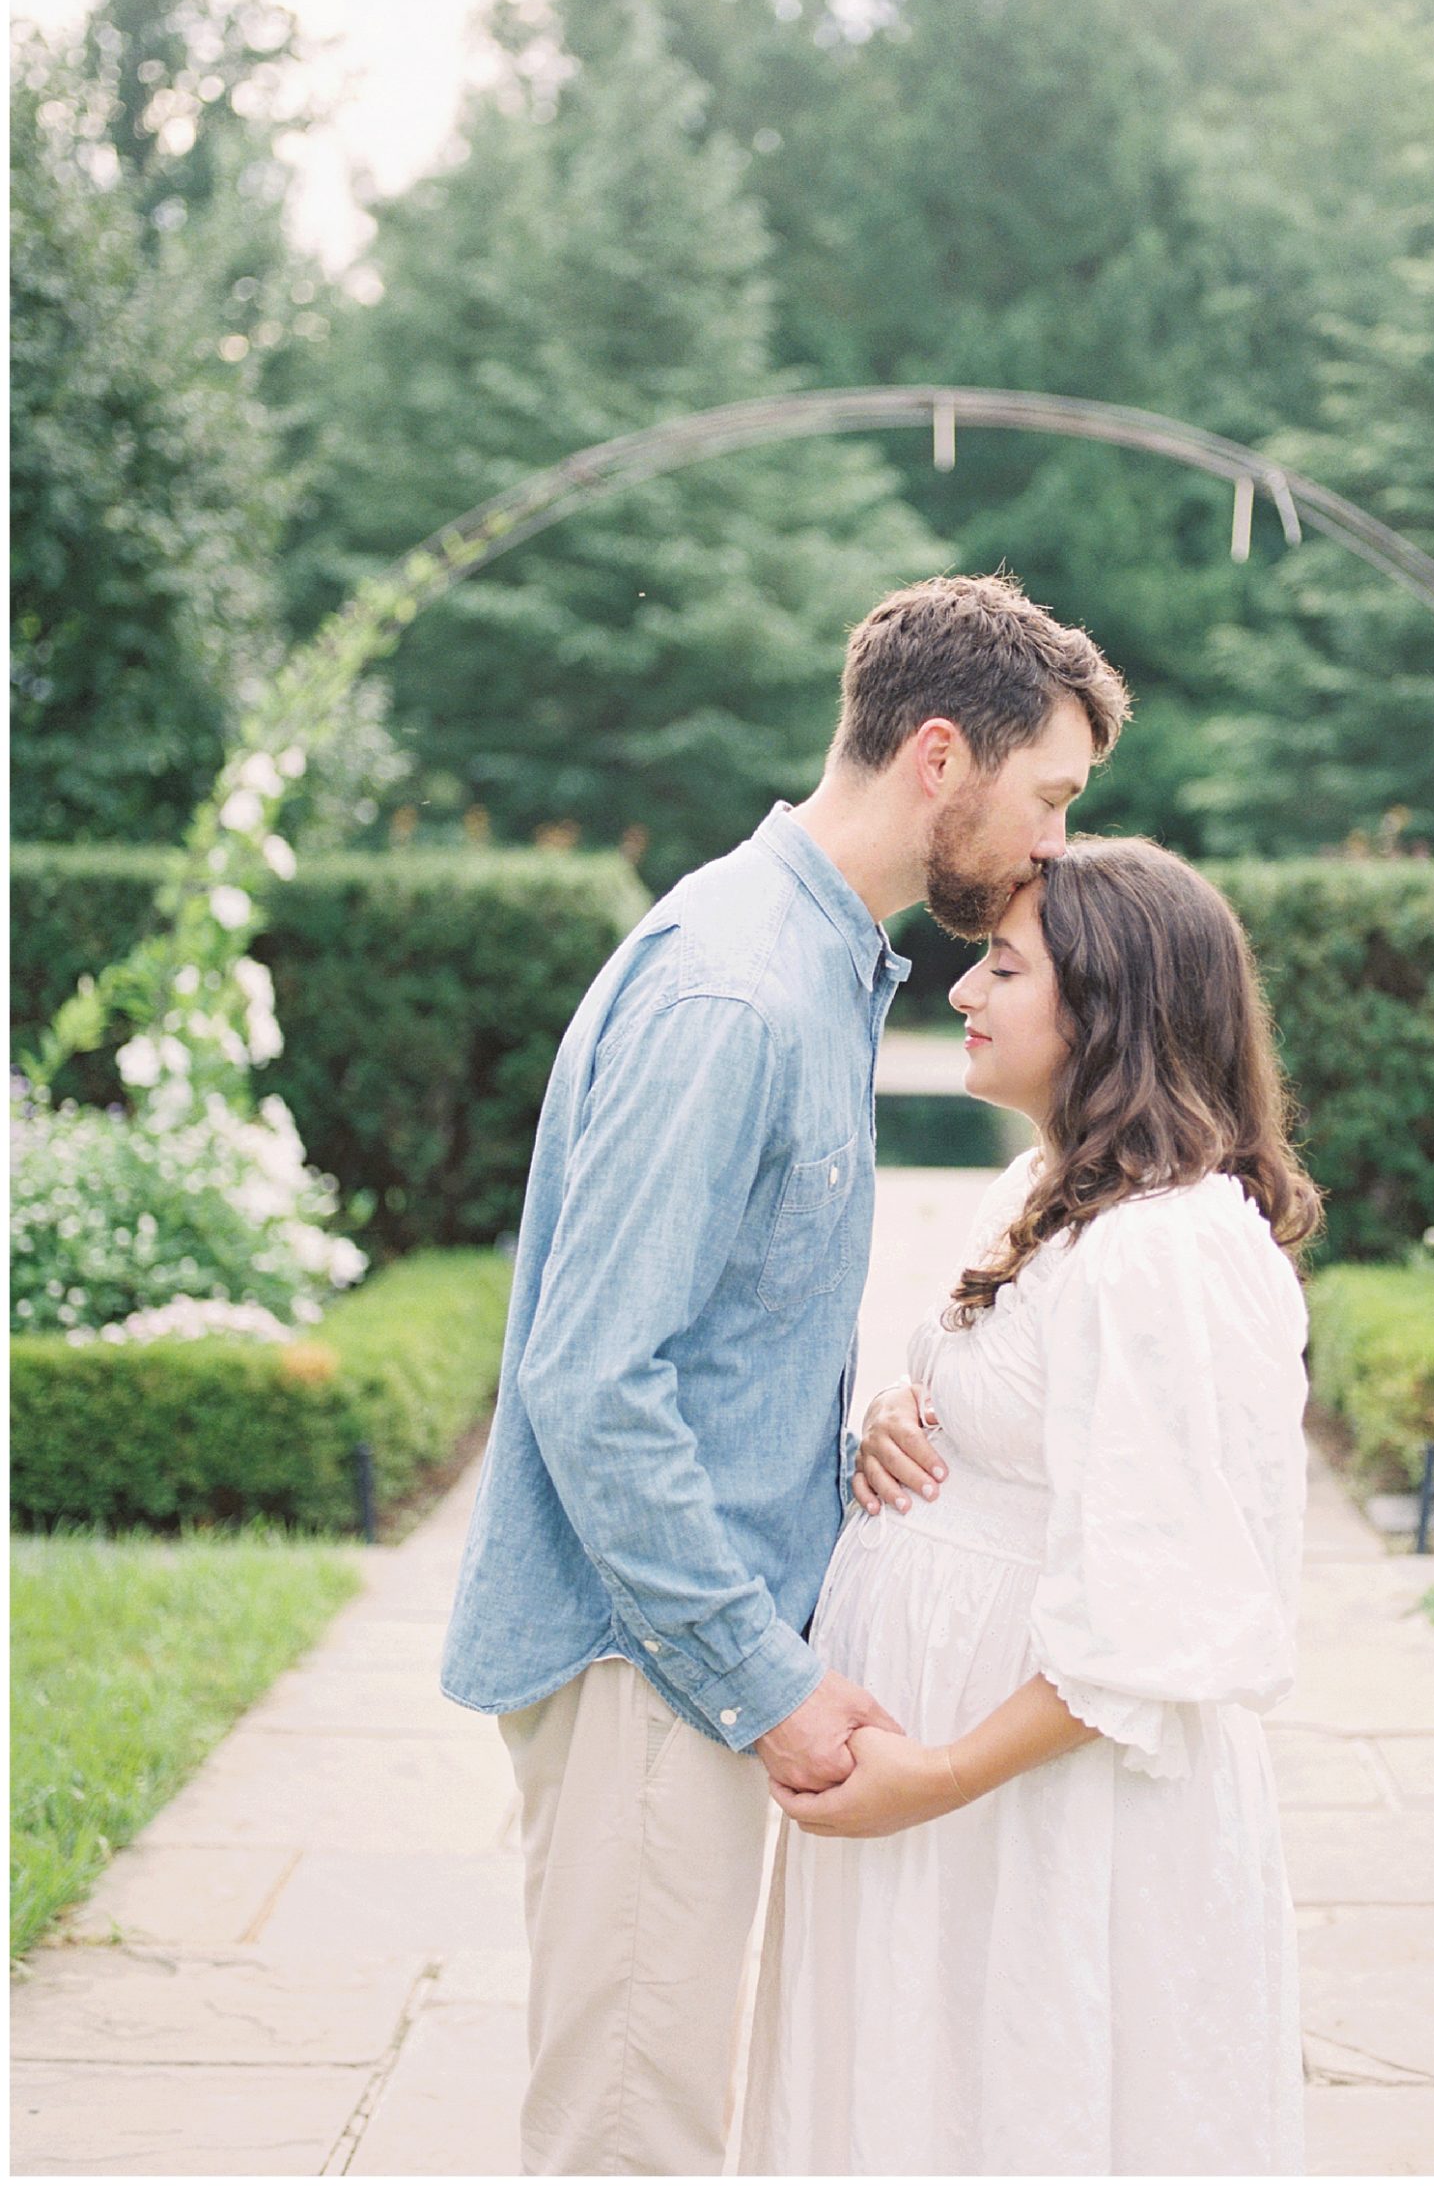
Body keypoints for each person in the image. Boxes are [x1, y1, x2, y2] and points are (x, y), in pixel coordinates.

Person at [440, 571, 1131, 2176]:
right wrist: (770, 1676)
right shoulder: (738, 987)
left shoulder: (812, 957)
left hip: (676, 1651)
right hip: (650, 1661)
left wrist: (843, 1447)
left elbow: (705, 1336)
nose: (1054, 848)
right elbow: (596, 1379)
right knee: (633, 2136)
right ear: (942, 757)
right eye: (1052, 797)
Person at [736, 835, 1320, 2177]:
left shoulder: (1169, 1247)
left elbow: (1165, 1605)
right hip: (947, 1803)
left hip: (1039, 1807)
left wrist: (933, 1780)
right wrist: (898, 1419)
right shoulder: (1051, 1190)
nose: (962, 993)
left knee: (1032, 2108)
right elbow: (1029, 1430)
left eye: (1004, 965)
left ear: (1109, 1006)